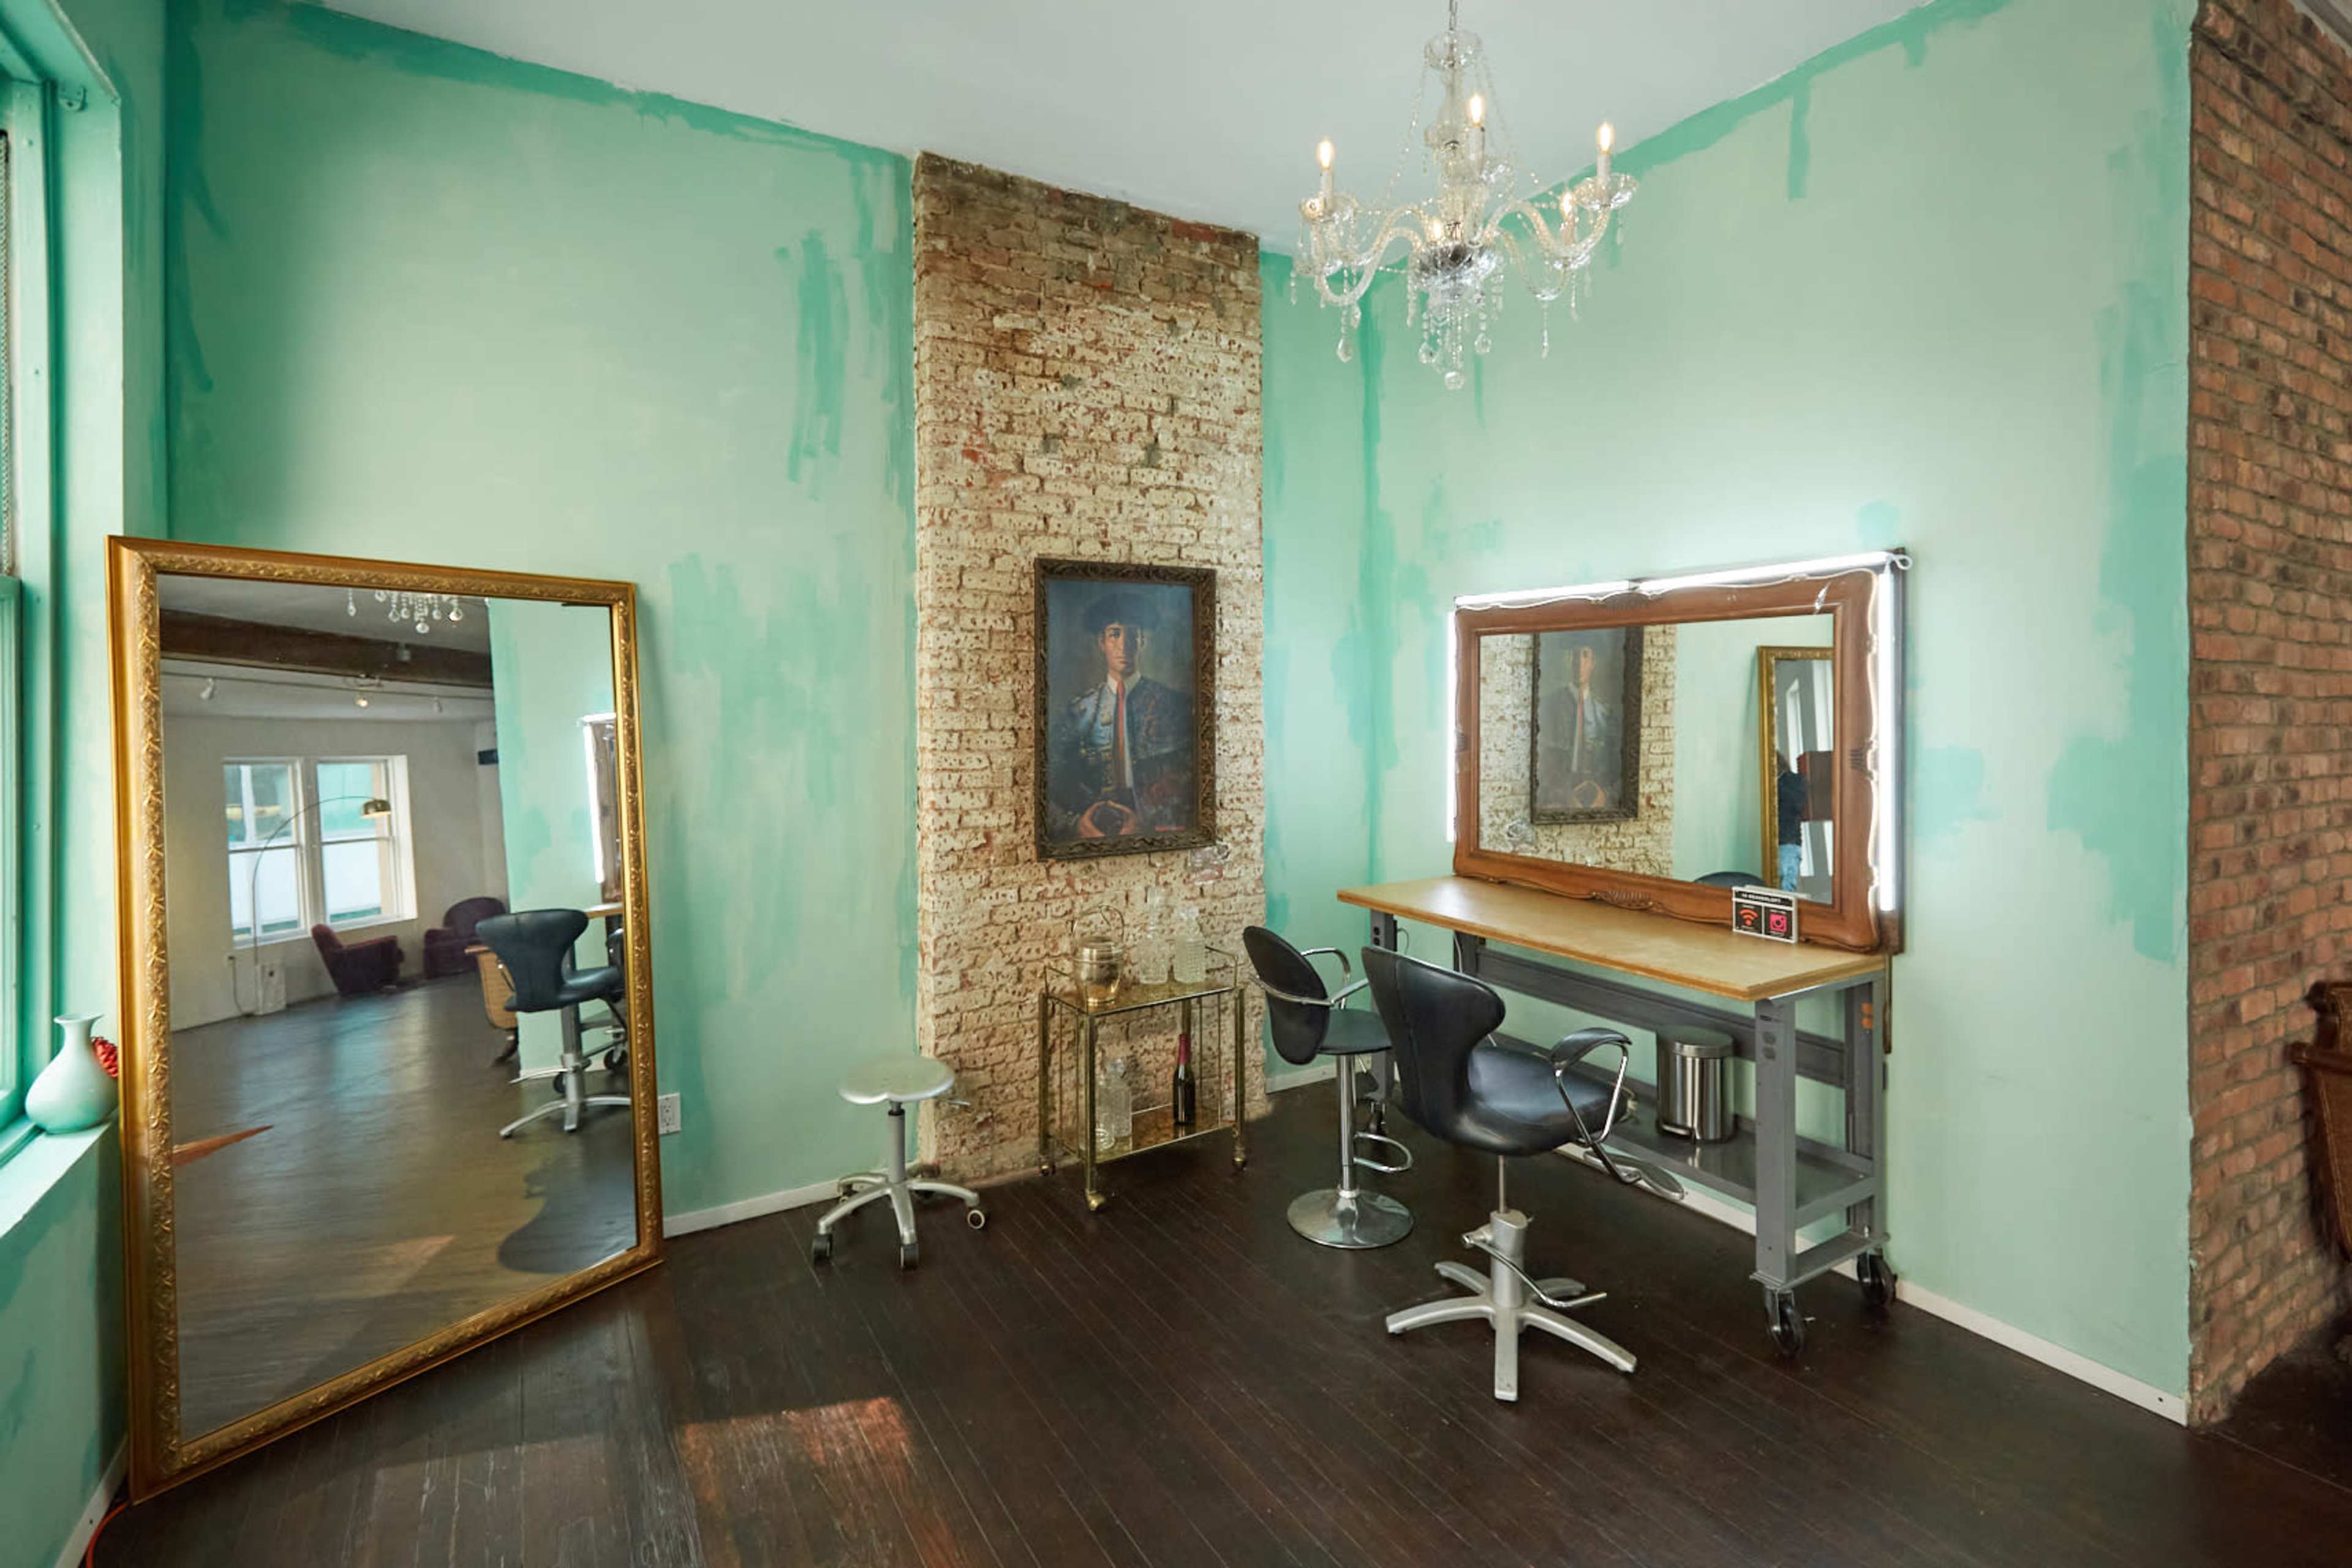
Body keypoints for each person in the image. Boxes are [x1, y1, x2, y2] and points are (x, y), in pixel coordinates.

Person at [1046, 591, 1194, 840]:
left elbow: (1191, 780)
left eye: (1133, 635)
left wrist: (1148, 822)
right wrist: (1076, 824)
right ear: (1101, 643)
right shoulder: (1078, 712)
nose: (1124, 645)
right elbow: (1053, 781)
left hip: (1156, 823)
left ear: (1142, 642)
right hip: (1095, 824)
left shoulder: (1175, 705)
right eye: (1115, 634)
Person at [1776, 750, 1808, 892]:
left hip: (1788, 843)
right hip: (1784, 842)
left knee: (1785, 889)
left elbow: (1795, 805)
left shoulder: (1793, 781)